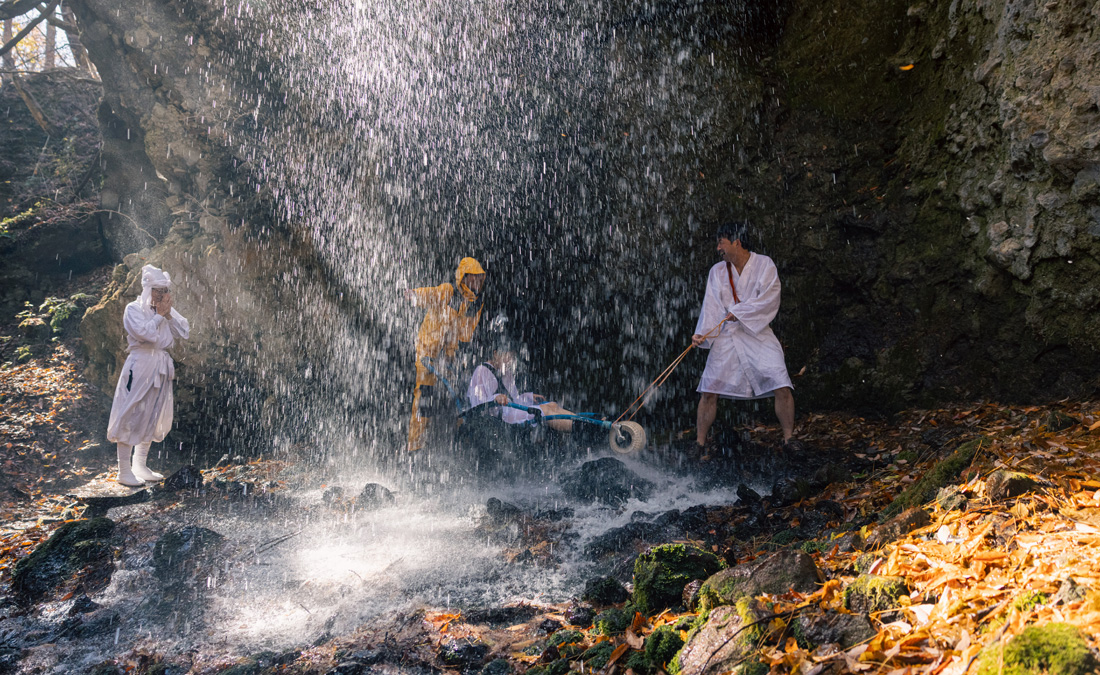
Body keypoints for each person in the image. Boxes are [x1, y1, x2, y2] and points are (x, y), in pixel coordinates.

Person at [692, 221, 796, 455]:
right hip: (726, 337)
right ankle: (699, 443)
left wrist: (739, 313)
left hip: (757, 333)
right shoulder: (717, 272)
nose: (718, 248)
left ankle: (789, 439)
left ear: (736, 242)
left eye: (722, 243)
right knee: (709, 389)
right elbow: (711, 306)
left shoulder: (764, 265)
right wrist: (702, 334)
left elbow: (769, 299)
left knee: (781, 382)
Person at [107, 264, 190, 485]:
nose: (162, 296)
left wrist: (168, 314)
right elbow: (145, 334)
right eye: (158, 291)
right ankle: (123, 470)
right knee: (131, 411)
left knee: (153, 413)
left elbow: (184, 331)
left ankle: (140, 465)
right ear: (148, 290)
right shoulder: (133, 309)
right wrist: (160, 316)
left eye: (165, 291)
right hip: (141, 364)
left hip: (161, 366)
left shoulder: (162, 311)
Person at [404, 257, 487, 452]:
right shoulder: (449, 291)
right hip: (425, 354)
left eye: (480, 279)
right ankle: (414, 448)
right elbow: (431, 294)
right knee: (424, 400)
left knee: (456, 401)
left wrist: (450, 357)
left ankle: (455, 446)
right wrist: (414, 295)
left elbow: (458, 334)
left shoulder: (467, 303)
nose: (478, 283)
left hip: (442, 359)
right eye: (474, 278)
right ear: (465, 278)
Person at [466, 343, 577, 433]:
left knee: (552, 405)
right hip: (501, 419)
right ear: (495, 354)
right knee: (544, 411)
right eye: (507, 357)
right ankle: (578, 429)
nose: (509, 361)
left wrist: (528, 397)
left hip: (512, 411)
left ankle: (582, 421)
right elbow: (477, 406)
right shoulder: (481, 371)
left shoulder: (506, 372)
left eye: (511, 357)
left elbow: (515, 399)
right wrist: (496, 398)